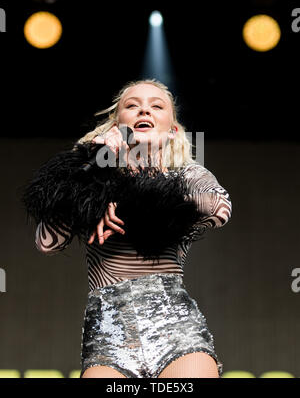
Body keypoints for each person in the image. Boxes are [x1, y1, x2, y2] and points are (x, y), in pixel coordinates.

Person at [23, 79, 232, 379]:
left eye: (156, 106)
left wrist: (127, 199)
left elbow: (219, 209)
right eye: (132, 105)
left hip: (177, 331)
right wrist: (94, 174)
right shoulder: (90, 176)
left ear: (172, 130)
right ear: (116, 124)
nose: (143, 109)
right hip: (108, 335)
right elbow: (47, 242)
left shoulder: (186, 173)